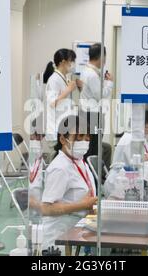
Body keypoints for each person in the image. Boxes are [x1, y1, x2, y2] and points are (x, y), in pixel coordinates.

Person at [40, 115, 97, 252]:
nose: (84, 142)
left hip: (74, 233)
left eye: (86, 139)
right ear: (62, 139)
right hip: (58, 239)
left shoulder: (79, 160)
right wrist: (82, 205)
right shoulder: (60, 168)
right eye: (78, 138)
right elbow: (47, 208)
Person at [79, 44, 114, 170]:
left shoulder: (87, 71)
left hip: (87, 113)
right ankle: (93, 179)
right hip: (93, 115)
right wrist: (110, 83)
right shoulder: (92, 75)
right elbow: (101, 95)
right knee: (94, 148)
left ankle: (91, 176)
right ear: (101, 57)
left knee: (92, 146)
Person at [44, 49, 82, 161]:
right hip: (56, 130)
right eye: (71, 61)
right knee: (58, 162)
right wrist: (68, 90)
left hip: (64, 128)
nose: (72, 64)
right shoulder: (54, 79)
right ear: (62, 62)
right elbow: (52, 103)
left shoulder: (63, 78)